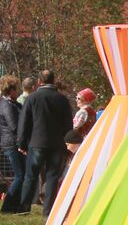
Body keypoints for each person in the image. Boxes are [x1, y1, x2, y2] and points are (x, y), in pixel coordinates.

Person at [16, 70, 74, 215]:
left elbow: (24, 123)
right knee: (52, 176)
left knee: (31, 176)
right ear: (53, 81)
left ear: (39, 82)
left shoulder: (32, 98)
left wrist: (22, 143)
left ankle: (24, 207)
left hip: (36, 142)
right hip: (56, 144)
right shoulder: (62, 99)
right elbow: (68, 125)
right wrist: (62, 138)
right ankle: (48, 210)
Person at [0, 76, 25, 213]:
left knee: (21, 174)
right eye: (16, 89)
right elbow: (14, 126)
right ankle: (7, 205)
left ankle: (15, 205)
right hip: (11, 143)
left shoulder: (12, 104)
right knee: (19, 175)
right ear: (11, 90)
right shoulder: (6, 105)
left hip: (13, 142)